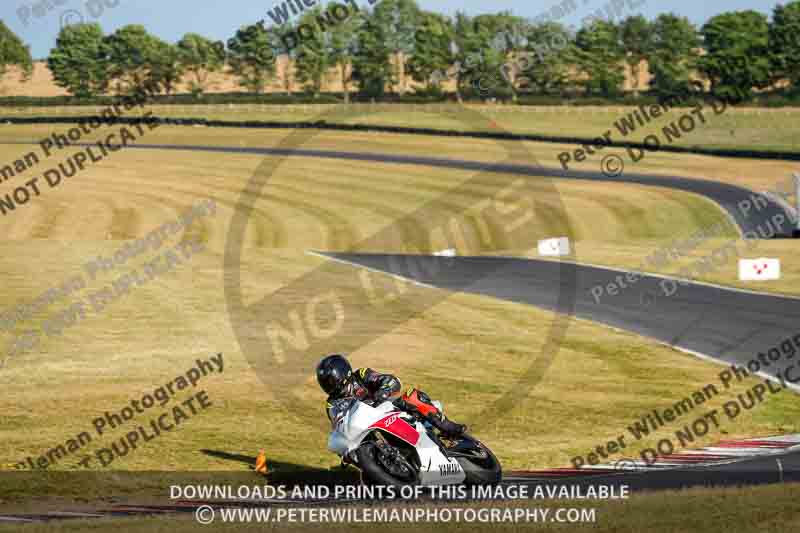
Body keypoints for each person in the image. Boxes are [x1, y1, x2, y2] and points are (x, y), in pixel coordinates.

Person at [316, 353, 466, 437]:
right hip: (365, 427)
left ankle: (446, 426)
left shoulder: (361, 375)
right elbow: (338, 425)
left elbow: (390, 380)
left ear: (341, 372)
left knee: (412, 396)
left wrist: (383, 392)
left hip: (388, 409)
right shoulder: (331, 403)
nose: (328, 385)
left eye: (329, 380)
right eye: (325, 382)